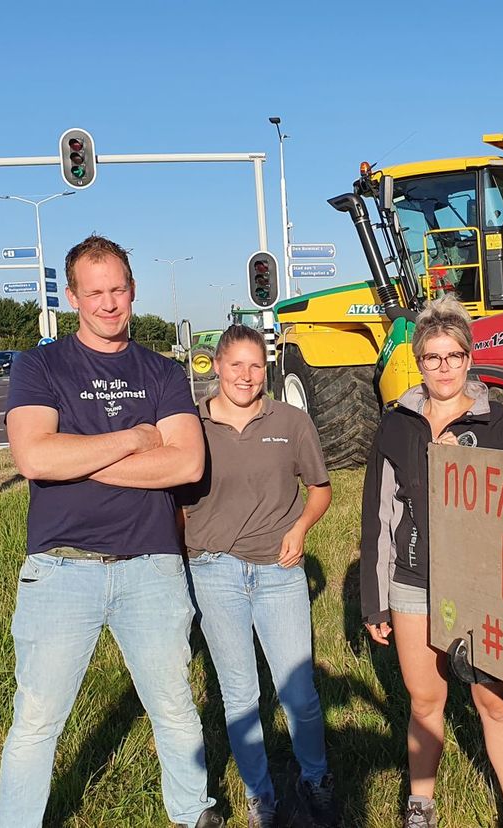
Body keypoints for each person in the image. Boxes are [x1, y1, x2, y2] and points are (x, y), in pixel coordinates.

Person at [0, 235, 221, 828]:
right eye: (94, 292)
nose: (108, 302)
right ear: (73, 296)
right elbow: (35, 458)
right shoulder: (39, 365)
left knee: (174, 708)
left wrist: (79, 454)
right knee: (37, 719)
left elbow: (186, 465)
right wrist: (132, 439)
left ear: (132, 289)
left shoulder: (164, 372)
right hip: (60, 568)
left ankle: (193, 812)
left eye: (117, 289)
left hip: (151, 566)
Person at [360, 295, 503, 828]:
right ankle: (421, 804)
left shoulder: (498, 423)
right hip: (414, 583)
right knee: (424, 701)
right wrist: (376, 601)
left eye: (454, 356)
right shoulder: (397, 426)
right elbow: (378, 517)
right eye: (433, 357)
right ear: (419, 360)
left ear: (468, 357)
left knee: (493, 702)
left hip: (484, 587)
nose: (444, 368)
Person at [180, 324, 337, 828]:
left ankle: (315, 779)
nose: (246, 376)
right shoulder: (192, 425)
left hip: (278, 570)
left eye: (255, 366)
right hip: (215, 572)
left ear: (265, 369)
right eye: (236, 365)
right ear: (217, 366)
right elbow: (176, 504)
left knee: (299, 694)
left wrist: (302, 528)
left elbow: (319, 489)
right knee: (241, 695)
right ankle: (259, 796)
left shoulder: (290, 421)